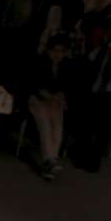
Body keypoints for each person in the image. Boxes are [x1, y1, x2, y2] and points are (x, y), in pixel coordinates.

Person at [69, 16, 111, 172]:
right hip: (93, 93)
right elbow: (86, 65)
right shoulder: (97, 49)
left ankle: (93, 160)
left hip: (110, 96)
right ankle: (80, 155)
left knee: (103, 127)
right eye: (110, 35)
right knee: (86, 120)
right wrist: (101, 48)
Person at [26, 34, 75, 181]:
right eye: (55, 50)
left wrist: (60, 97)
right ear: (49, 50)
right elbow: (36, 86)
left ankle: (51, 159)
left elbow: (65, 87)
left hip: (53, 100)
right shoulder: (40, 62)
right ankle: (49, 159)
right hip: (37, 98)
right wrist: (52, 97)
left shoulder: (65, 65)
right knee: (45, 122)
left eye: (61, 51)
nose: (57, 54)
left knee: (58, 125)